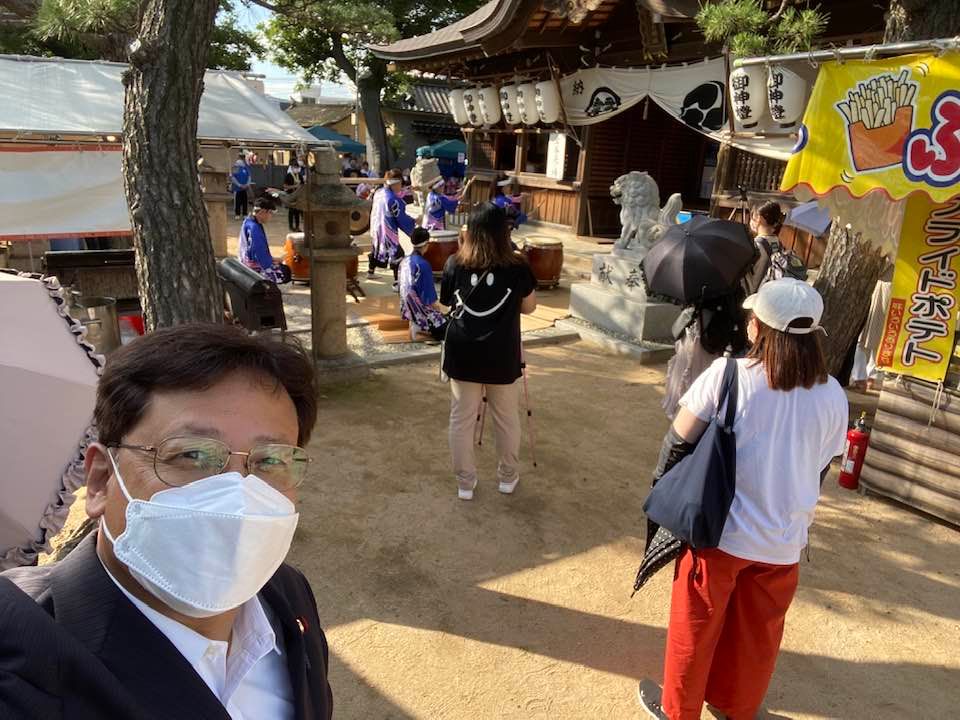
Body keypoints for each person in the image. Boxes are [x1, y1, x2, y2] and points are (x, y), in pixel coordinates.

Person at [0, 323, 334, 720]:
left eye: (270, 461)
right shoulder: (23, 667)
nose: (238, 495)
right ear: (101, 479)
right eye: (191, 455)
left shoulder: (287, 595)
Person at [639, 278, 848, 720]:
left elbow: (677, 441)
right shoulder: (833, 395)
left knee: (695, 630)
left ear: (759, 329)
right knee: (757, 636)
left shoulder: (729, 375)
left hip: (720, 534)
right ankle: (735, 708)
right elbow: (822, 465)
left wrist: (661, 492)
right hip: (784, 539)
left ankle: (679, 712)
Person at [440, 203, 537, 501]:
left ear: (471, 231)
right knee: (506, 418)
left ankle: (465, 483)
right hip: (501, 353)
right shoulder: (518, 266)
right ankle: (507, 477)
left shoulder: (455, 263)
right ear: (503, 232)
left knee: (461, 419)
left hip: (462, 352)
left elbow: (447, 305)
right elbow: (530, 307)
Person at [368, 168, 415, 290]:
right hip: (387, 231)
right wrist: (414, 222)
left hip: (376, 227)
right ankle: (396, 283)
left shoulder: (379, 192)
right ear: (396, 183)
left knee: (376, 248)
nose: (401, 186)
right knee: (397, 254)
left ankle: (370, 271)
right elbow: (401, 218)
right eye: (400, 184)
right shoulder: (393, 199)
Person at [399, 228, 447, 341]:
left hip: (407, 309)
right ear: (426, 244)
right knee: (450, 329)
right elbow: (431, 301)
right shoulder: (423, 265)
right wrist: (447, 309)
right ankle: (421, 327)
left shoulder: (404, 262)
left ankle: (414, 322)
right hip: (421, 312)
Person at [239, 196, 286, 284]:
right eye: (270, 213)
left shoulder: (248, 221)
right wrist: (272, 261)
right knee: (285, 272)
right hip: (253, 266)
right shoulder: (254, 228)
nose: (270, 216)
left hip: (245, 260)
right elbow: (258, 254)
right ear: (262, 212)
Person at [744, 200, 785, 293]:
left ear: (758, 219)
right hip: (769, 293)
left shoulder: (756, 245)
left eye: (752, 216)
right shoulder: (777, 242)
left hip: (753, 295)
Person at [283, 158, 306, 232]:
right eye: (295, 167)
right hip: (291, 195)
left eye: (298, 167)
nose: (297, 169)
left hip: (298, 196)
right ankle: (291, 226)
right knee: (291, 211)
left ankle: (297, 226)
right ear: (292, 168)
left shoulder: (300, 176)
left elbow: (303, 185)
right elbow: (285, 186)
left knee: (297, 211)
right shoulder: (289, 175)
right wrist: (294, 186)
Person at [231, 150, 252, 220]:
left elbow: (249, 176)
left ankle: (244, 214)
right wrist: (239, 185)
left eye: (243, 157)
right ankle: (237, 214)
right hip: (237, 188)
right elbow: (233, 177)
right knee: (237, 201)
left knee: (245, 201)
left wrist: (247, 184)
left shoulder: (246, 167)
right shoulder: (235, 167)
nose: (242, 159)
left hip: (245, 188)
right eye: (241, 157)